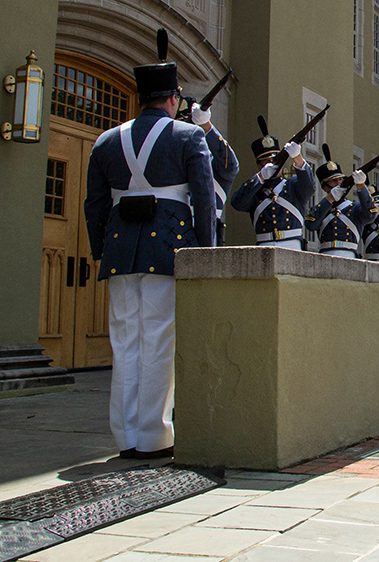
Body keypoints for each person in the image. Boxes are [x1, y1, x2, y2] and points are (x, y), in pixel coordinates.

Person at [84, 30, 215, 460]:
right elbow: (201, 198)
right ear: (174, 99)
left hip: (122, 251)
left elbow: (95, 205)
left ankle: (125, 436)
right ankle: (155, 435)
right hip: (168, 251)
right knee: (158, 340)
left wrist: (100, 249)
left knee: (125, 342)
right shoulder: (188, 137)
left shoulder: (105, 141)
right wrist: (203, 253)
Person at [231, 116, 316, 250]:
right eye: (266, 161)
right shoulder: (255, 189)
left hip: (292, 244)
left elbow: (309, 187)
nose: (271, 163)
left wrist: (297, 158)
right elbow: (237, 203)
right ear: (260, 165)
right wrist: (260, 177)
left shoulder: (292, 185)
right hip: (263, 245)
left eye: (274, 159)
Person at [177, 97, 238, 244]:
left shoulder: (212, 164)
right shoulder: (170, 161)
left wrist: (207, 126)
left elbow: (230, 164)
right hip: (170, 233)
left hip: (204, 237)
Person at [304, 145, 374, 258]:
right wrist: (330, 198)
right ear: (325, 187)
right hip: (325, 255)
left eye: (340, 179)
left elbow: (370, 215)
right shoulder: (320, 208)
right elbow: (311, 225)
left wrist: (361, 187)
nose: (338, 183)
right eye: (333, 181)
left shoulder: (354, 207)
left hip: (350, 256)